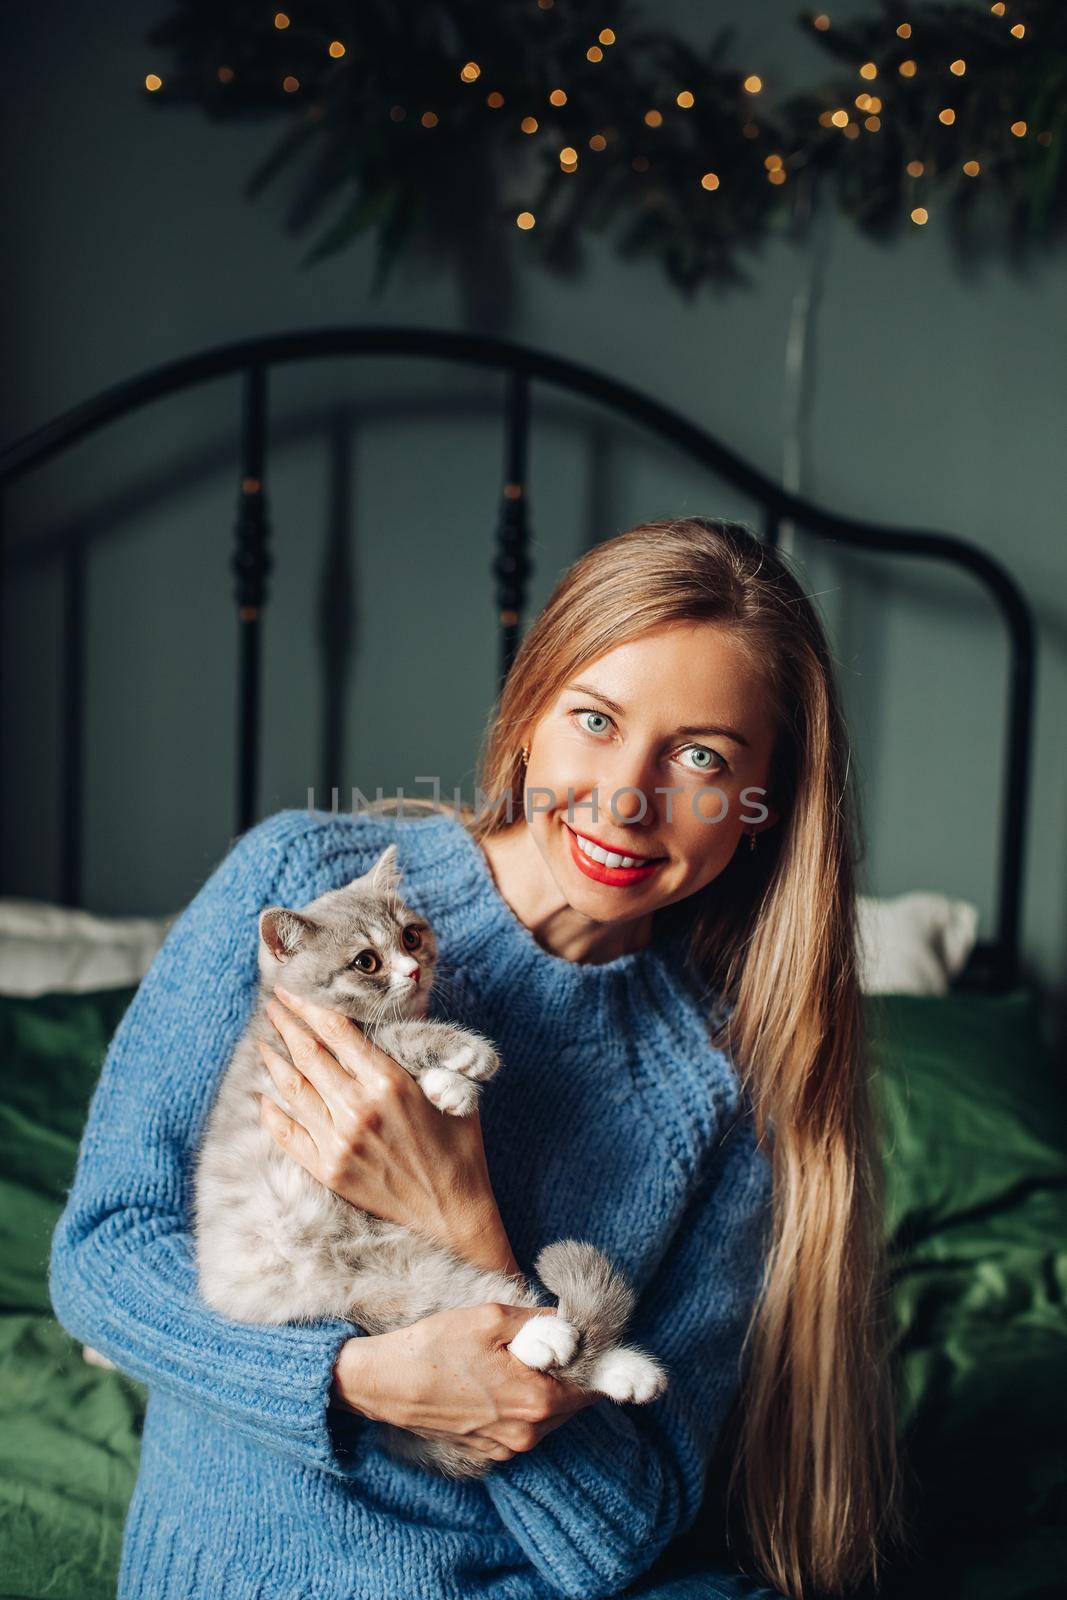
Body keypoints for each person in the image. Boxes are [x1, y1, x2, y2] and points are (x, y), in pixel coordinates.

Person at [49, 517, 904, 1600]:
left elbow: (614, 1535)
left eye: (698, 756)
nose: (624, 799)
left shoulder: (728, 1088)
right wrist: (352, 1380)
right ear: (530, 712)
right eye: (593, 719)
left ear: (761, 803)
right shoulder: (307, 884)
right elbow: (101, 1257)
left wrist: (463, 1219)